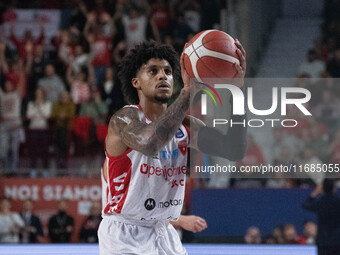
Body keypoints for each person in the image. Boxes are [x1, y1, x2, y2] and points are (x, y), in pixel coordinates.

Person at [98, 40, 246, 255]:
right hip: (125, 234)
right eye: (153, 71)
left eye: (168, 71)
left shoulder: (186, 126)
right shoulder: (124, 119)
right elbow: (150, 142)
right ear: (136, 82)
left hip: (163, 232)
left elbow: (234, 149)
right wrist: (188, 92)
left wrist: (237, 91)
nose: (162, 76)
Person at [302, 179, 340, 255]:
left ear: (322, 189)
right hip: (337, 240)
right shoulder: (338, 202)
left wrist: (314, 193)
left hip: (323, 241)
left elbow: (305, 205)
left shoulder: (320, 202)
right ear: (334, 188)